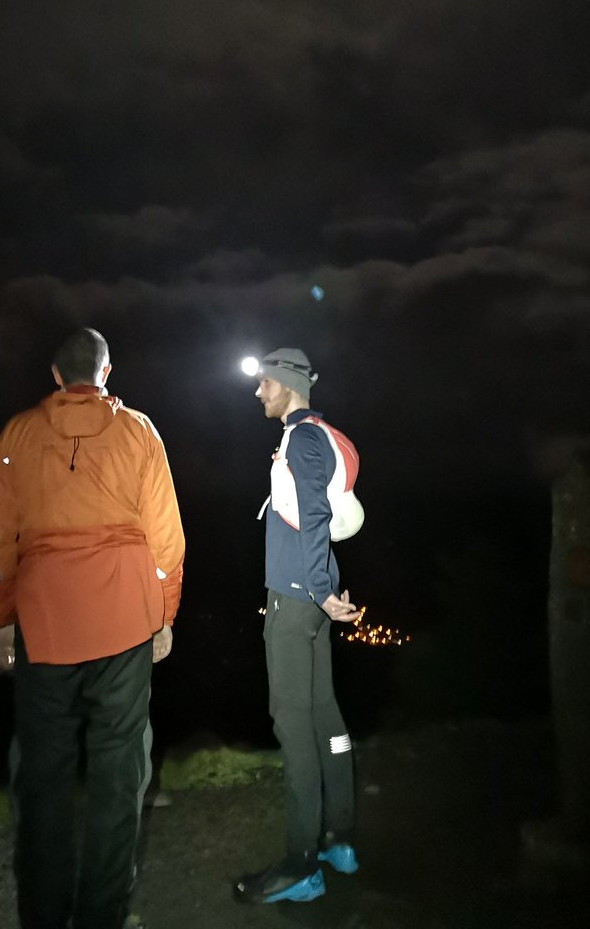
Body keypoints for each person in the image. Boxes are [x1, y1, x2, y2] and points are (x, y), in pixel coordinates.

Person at [0, 327, 185, 929]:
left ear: (55, 374)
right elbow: (166, 537)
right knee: (119, 774)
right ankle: (102, 915)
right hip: (124, 621)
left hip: (44, 623)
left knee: (43, 774)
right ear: (107, 371)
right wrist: (163, 613)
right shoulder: (139, 432)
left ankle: (42, 914)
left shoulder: (18, 434)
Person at [234, 347, 360, 906]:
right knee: (325, 714)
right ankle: (339, 838)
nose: (258, 392)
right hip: (311, 600)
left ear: (284, 385)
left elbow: (313, 513)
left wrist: (320, 588)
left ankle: (300, 862)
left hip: (295, 602)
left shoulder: (302, 438)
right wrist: (324, 589)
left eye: (264, 384)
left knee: (294, 725)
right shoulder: (313, 433)